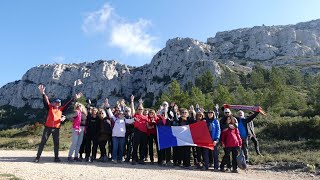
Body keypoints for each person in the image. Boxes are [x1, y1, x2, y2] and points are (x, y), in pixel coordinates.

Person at [34, 84, 82, 163]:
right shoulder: (50, 107)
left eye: (59, 102)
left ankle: (56, 158)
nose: (57, 103)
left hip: (56, 128)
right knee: (43, 142)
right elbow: (46, 101)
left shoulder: (61, 109)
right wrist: (43, 93)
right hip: (48, 127)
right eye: (56, 102)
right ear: (54, 103)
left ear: (60, 104)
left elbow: (68, 103)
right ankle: (37, 157)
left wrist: (74, 98)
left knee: (56, 143)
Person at [105, 98, 135, 164]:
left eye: (122, 114)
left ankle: (120, 159)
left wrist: (135, 119)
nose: (121, 115)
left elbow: (131, 121)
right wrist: (107, 106)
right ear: (118, 115)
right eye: (120, 114)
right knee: (115, 148)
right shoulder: (115, 119)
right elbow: (110, 113)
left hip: (122, 136)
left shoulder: (125, 120)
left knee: (121, 148)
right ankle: (114, 158)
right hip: (115, 136)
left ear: (123, 115)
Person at [130, 95, 148, 165]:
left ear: (143, 110)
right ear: (137, 110)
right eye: (139, 109)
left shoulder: (146, 117)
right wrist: (132, 101)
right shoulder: (135, 115)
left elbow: (148, 125)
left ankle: (141, 159)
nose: (140, 110)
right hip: (137, 132)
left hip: (144, 133)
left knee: (143, 146)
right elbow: (132, 109)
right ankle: (134, 159)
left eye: (141, 109)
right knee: (135, 146)